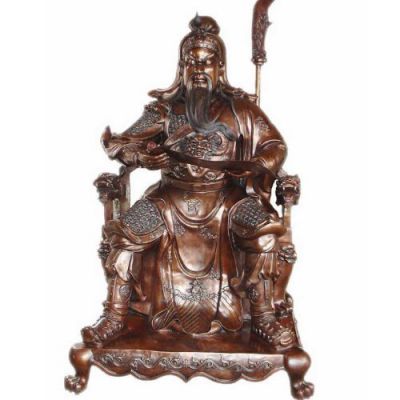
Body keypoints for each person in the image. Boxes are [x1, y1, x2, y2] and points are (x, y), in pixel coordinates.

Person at [81, 15, 296, 349]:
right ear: (181, 67)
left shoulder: (241, 110)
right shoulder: (165, 111)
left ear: (220, 67)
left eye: (206, 62)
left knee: (265, 233)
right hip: (170, 198)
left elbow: (275, 146)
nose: (199, 69)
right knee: (126, 234)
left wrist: (256, 164)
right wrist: (141, 157)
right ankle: (115, 315)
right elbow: (121, 143)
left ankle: (264, 317)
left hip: (227, 198)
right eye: (192, 62)